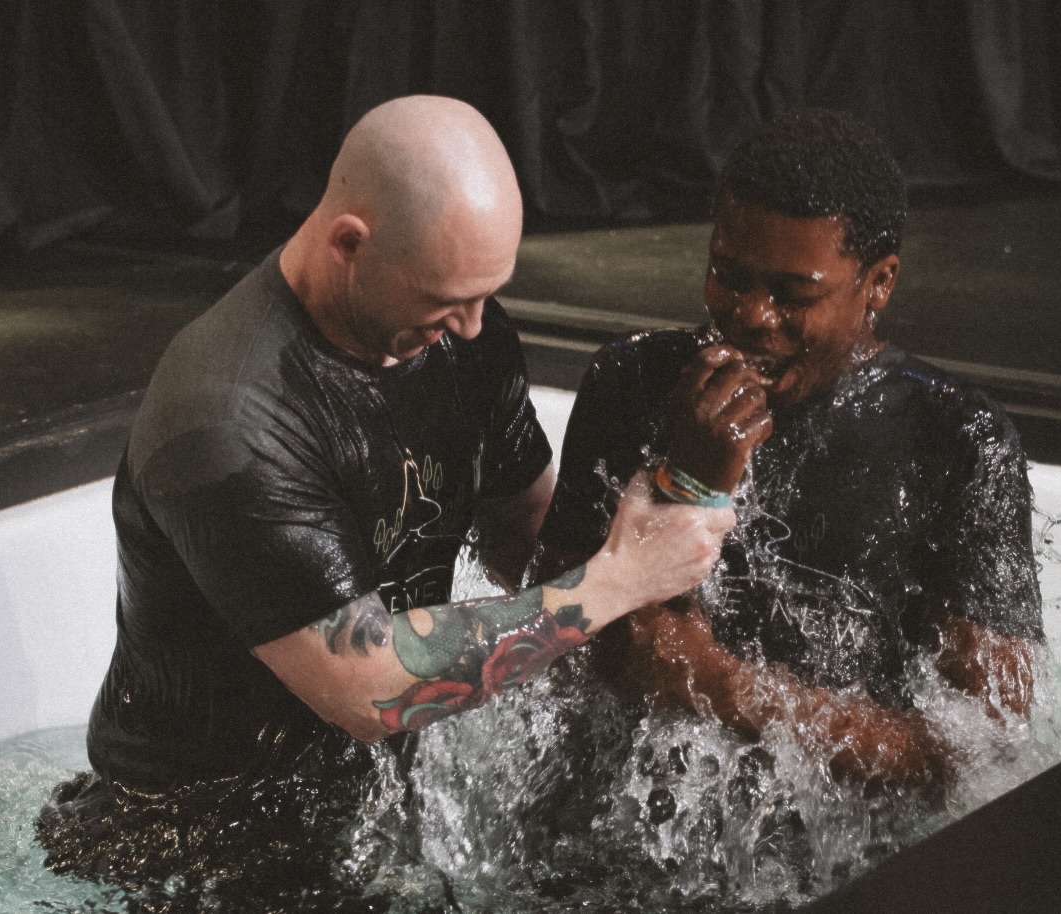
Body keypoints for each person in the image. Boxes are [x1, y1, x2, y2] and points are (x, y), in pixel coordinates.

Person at [36, 95, 734, 905]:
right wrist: (615, 580)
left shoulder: (464, 335)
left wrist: (677, 528)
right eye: (445, 300)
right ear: (349, 243)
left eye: (485, 295)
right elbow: (371, 687)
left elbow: (525, 534)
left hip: (349, 813)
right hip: (190, 846)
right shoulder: (227, 419)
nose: (471, 327)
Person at [536, 109, 1043, 799]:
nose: (751, 314)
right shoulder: (631, 383)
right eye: (729, 275)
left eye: (792, 294)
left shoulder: (957, 442)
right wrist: (684, 484)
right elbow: (547, 651)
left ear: (879, 283)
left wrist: (723, 685)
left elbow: (985, 752)